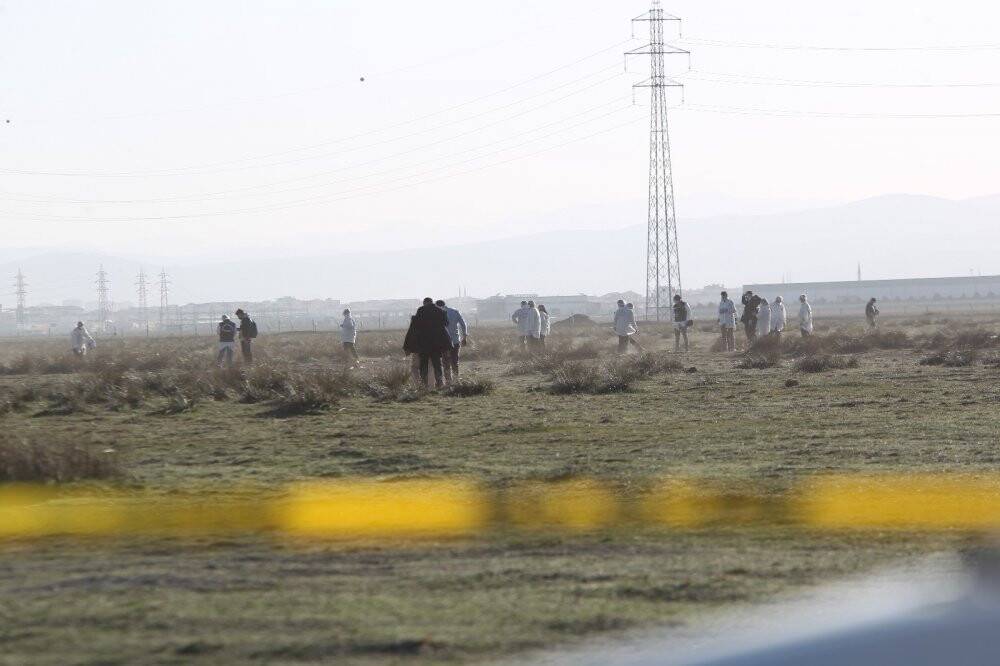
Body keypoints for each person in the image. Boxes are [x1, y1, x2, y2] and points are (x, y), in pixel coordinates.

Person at [403, 297, 452, 389]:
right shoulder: (439, 310)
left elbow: (413, 328)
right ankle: (440, 383)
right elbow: (446, 324)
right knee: (437, 363)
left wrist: (407, 346)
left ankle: (424, 384)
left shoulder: (421, 310)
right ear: (432, 302)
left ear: (424, 303)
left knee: (423, 364)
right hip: (437, 343)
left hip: (423, 343)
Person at [436, 299, 468, 383]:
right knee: (455, 361)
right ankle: (456, 380)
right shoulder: (454, 312)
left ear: (437, 306)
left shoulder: (437, 314)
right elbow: (463, 324)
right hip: (455, 341)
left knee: (445, 362)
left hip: (443, 342)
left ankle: (448, 381)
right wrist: (464, 337)